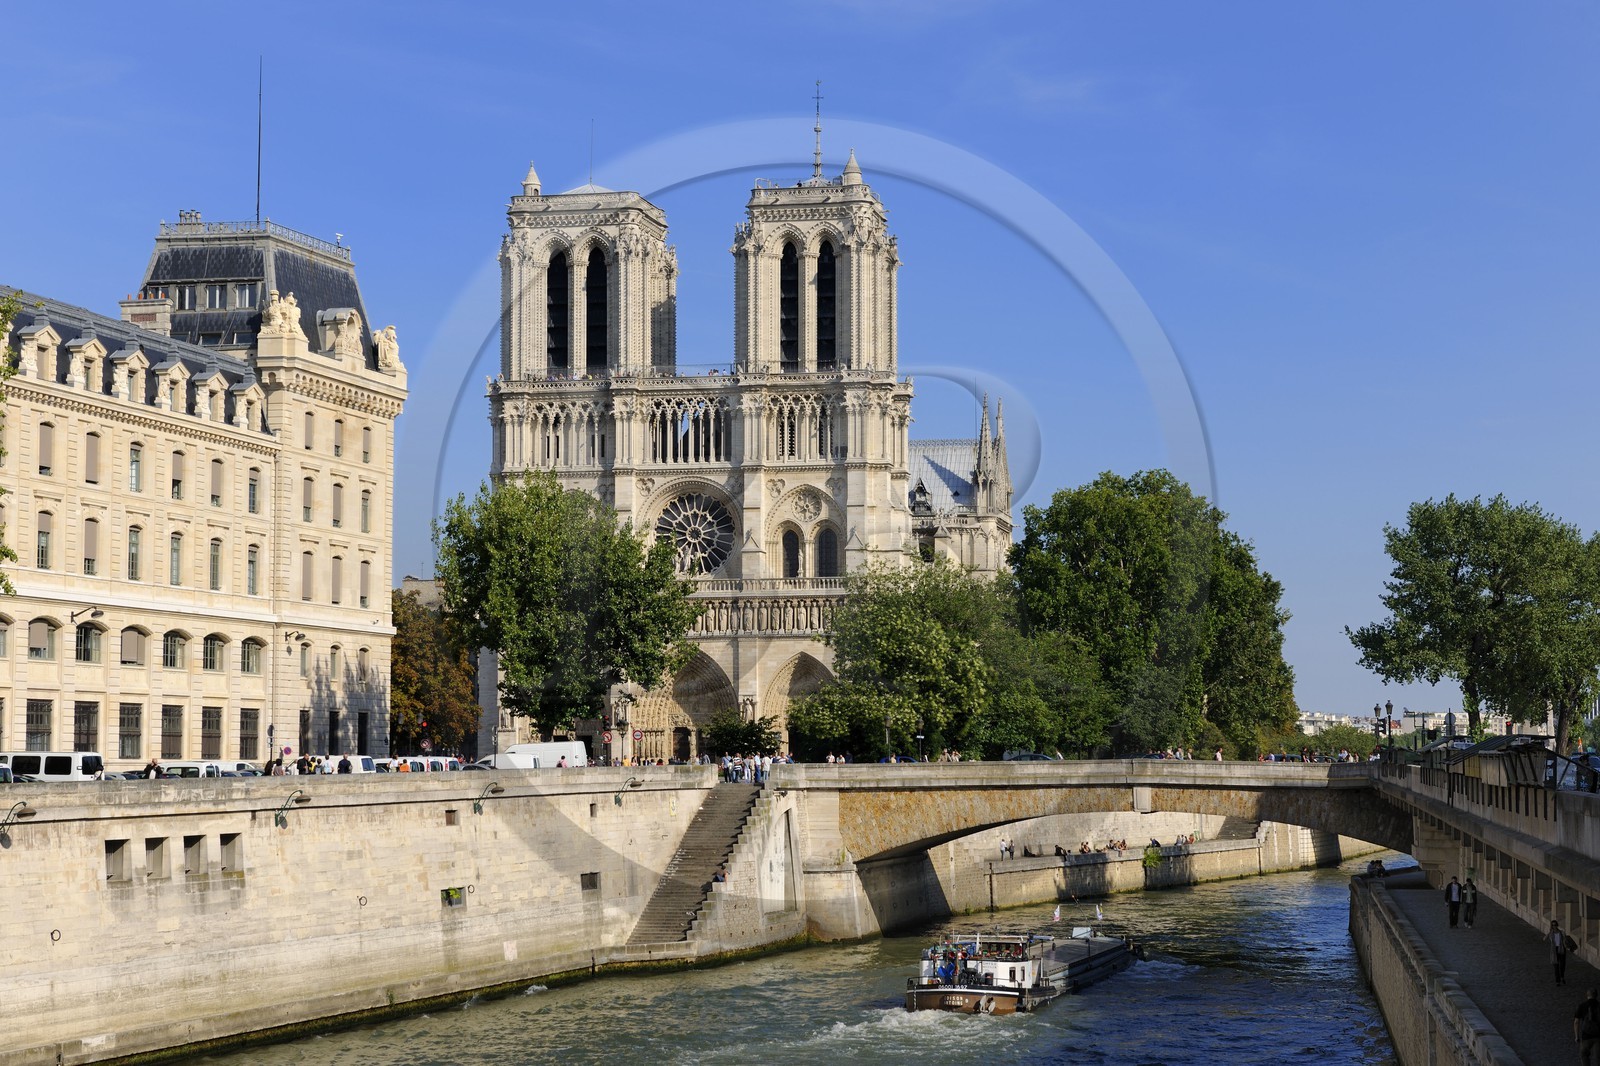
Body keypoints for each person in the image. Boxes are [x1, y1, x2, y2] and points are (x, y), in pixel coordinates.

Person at [1574, 988, 1600, 1065]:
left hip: (1585, 1036)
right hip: (1598, 1036)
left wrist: (1577, 1037)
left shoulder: (1582, 1006)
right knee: (1598, 1058)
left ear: (1587, 995)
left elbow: (1576, 1022)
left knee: (1584, 1055)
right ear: (1596, 995)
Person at [1552, 920, 1574, 986]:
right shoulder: (1551, 933)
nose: (1554, 926)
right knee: (1556, 966)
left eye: (1555, 925)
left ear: (1557, 925)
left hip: (1561, 949)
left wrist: (1569, 948)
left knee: (1562, 965)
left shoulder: (1562, 932)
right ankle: (1557, 981)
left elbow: (1565, 941)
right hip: (1554, 950)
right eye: (1553, 925)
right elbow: (1545, 939)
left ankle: (1562, 977)